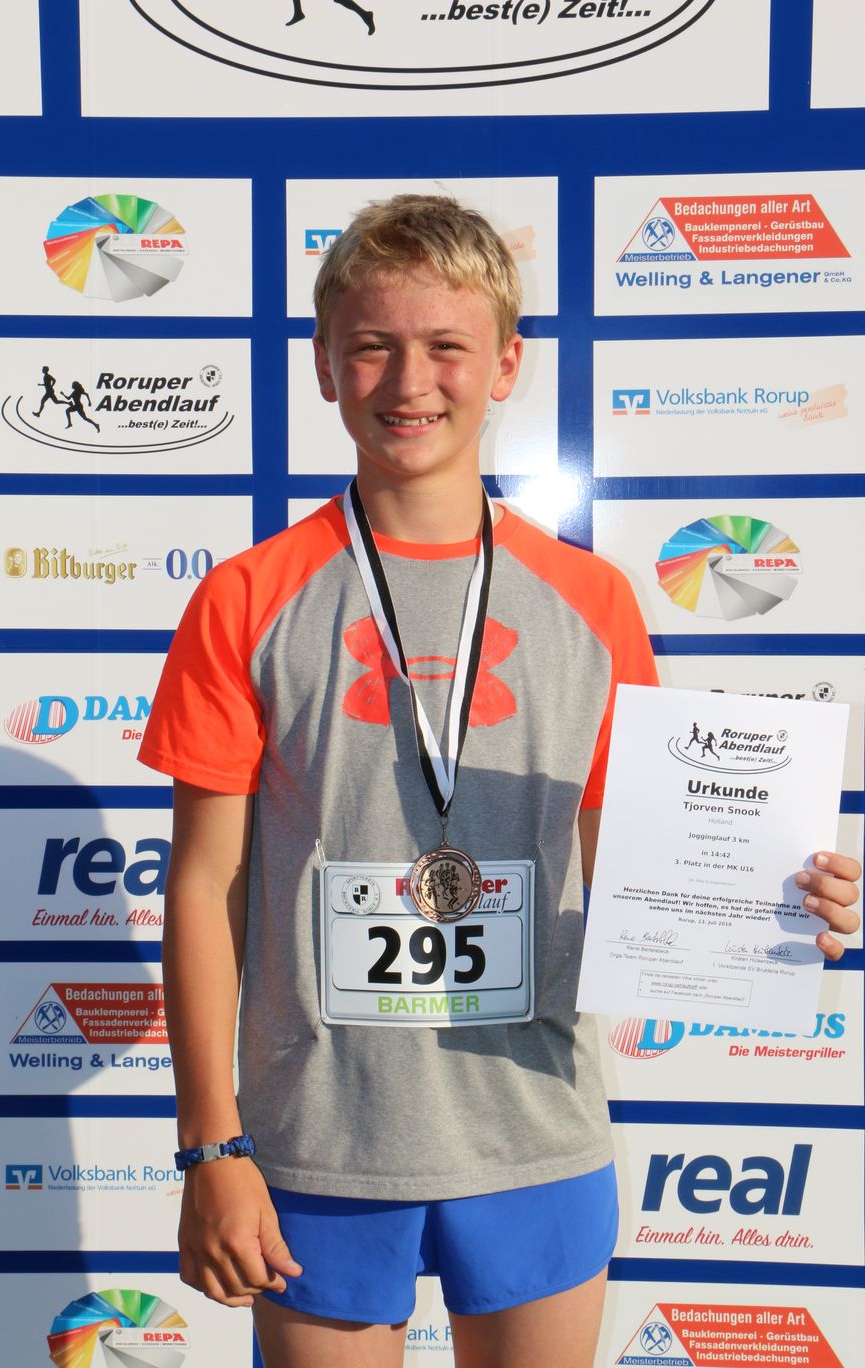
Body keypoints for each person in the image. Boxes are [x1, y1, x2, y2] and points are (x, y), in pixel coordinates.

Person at [138, 195, 861, 1368]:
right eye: (371, 346)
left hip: (535, 1128)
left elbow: (633, 859)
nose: (408, 380)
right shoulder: (247, 598)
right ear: (323, 365)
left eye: (446, 346)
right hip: (319, 1140)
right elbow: (205, 884)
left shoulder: (594, 601)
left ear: (506, 365)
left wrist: (770, 905)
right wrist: (209, 1146)